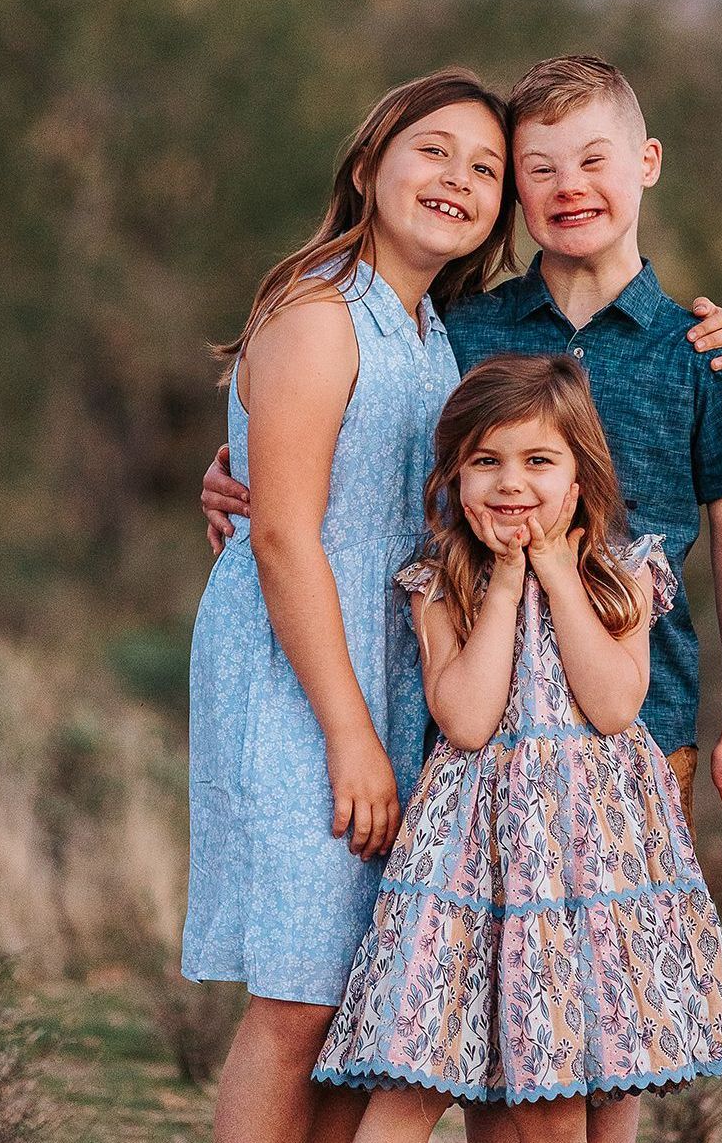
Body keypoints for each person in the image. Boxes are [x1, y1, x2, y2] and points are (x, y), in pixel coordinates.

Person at [182, 69, 516, 1143]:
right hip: (304, 672)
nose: (457, 180)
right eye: (434, 151)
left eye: (485, 169)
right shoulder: (321, 313)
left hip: (394, 666)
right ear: (369, 166)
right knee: (297, 999)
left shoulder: (433, 332)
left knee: (356, 998)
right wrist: (350, 737)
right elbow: (281, 534)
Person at [313, 354, 722, 1142]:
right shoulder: (441, 582)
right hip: (474, 862)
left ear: (579, 479)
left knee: (563, 1083)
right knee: (416, 1066)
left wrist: (555, 572)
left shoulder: (623, 575)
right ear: (456, 477)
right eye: (486, 461)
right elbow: (468, 719)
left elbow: (616, 703)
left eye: (538, 461)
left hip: (589, 867)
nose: (511, 482)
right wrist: (508, 585)